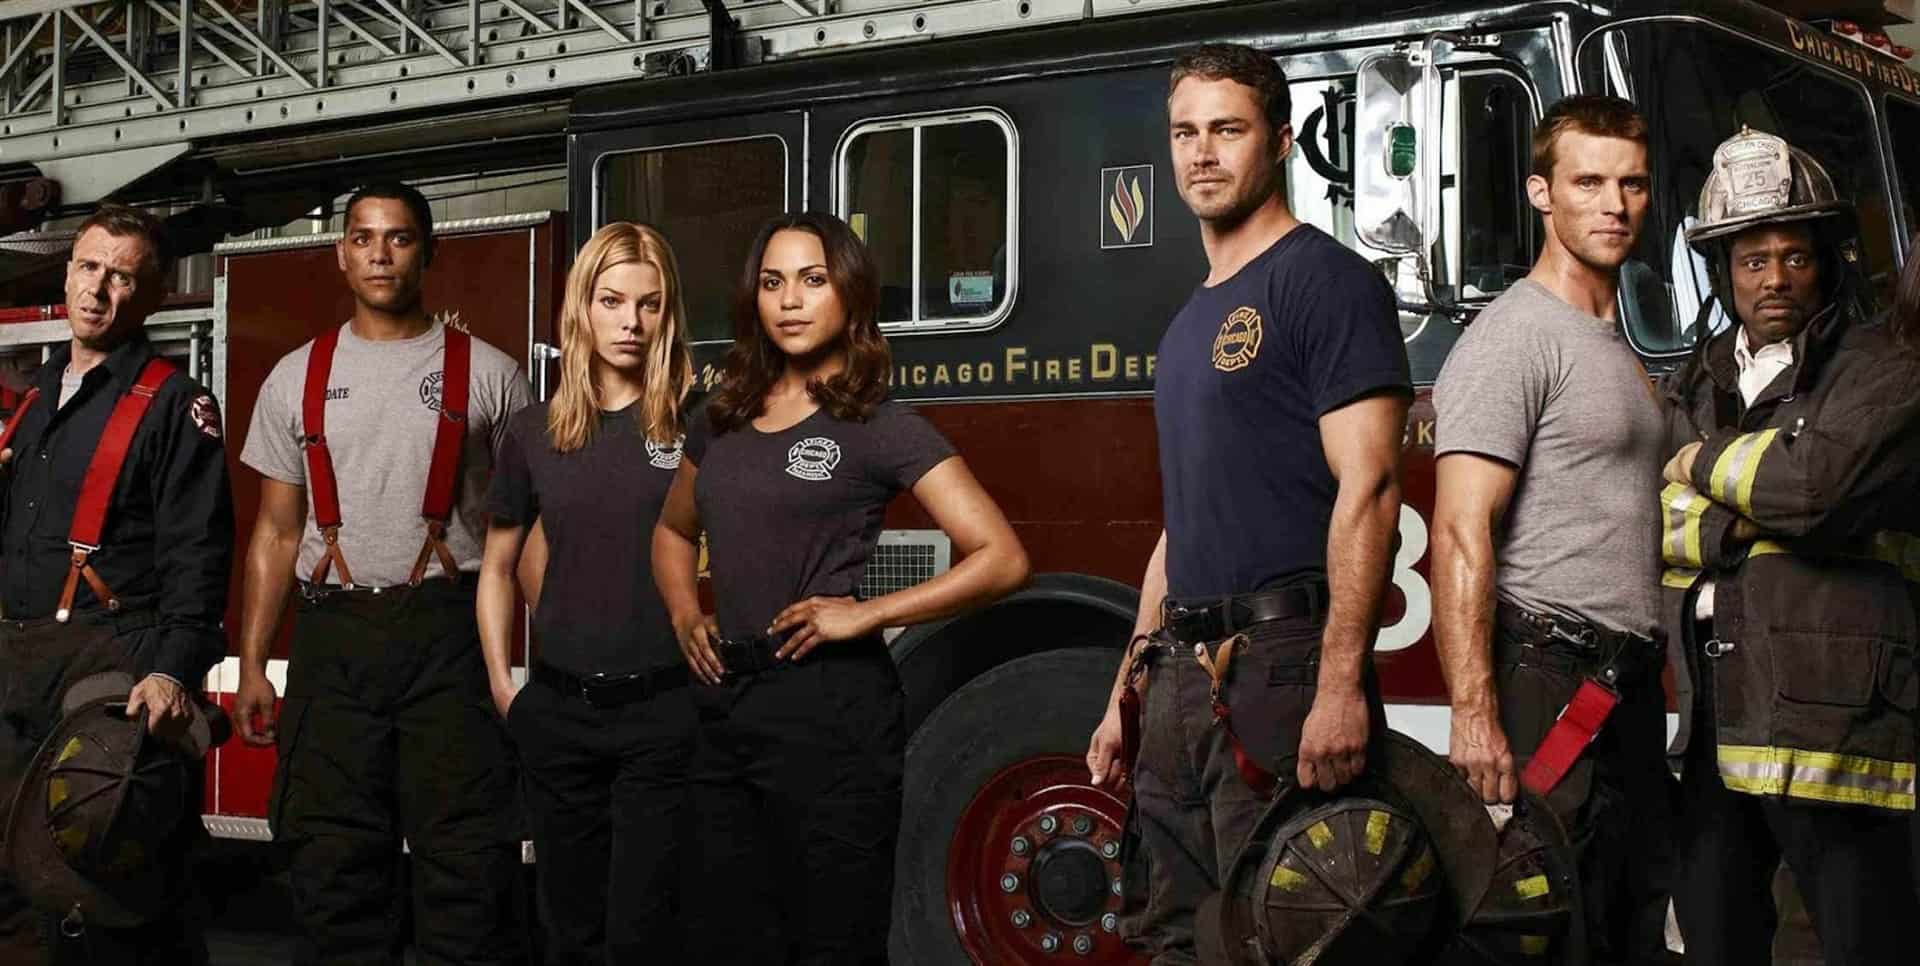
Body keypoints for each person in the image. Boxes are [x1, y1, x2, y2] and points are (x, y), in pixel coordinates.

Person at [1080, 43, 1412, 965]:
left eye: (1227, 129)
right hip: (1180, 677)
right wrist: (1126, 693)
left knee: (1287, 933)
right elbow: (1180, 526)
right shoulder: (1188, 323)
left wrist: (1339, 687)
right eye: (1185, 132)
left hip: (1282, 665)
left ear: (1282, 140)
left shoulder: (1328, 283)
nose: (1202, 153)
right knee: (1171, 935)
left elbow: (1372, 488)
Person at [652, 211, 1028, 965]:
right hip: (725, 706)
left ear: (848, 293)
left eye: (812, 280)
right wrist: (686, 614)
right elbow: (670, 531)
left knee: (833, 941)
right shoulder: (718, 419)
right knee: (723, 938)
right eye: (773, 283)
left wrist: (867, 614)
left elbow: (1003, 557)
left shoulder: (878, 424)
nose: (790, 300)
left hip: (833, 711)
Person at [231, 183, 530, 965]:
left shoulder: (493, 375)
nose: (380, 254)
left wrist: (549, 665)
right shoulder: (294, 377)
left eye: (398, 238)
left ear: (428, 251)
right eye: (363, 238)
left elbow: (523, 536)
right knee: (331, 864)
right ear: (341, 254)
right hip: (333, 642)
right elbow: (275, 532)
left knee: (468, 863)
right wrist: (255, 663)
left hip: (450, 638)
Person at [1658, 127, 1920, 965]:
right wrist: (1743, 510)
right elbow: (1652, 518)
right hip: (1714, 712)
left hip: (1837, 719)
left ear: (1826, 263)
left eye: (1795, 257)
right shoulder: (1696, 377)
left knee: (1864, 943)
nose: (1775, 278)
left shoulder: (1881, 366)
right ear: (1723, 271)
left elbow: (1814, 493)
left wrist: (1698, 468)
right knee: (1714, 937)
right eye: (1753, 260)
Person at [1429, 95, 1675, 964]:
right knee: (1546, 933)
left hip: (1625, 685)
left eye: (1632, 184)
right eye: (1588, 183)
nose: (1614, 204)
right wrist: (1474, 717)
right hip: (1548, 680)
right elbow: (1459, 531)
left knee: (1630, 925)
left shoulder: (1613, 341)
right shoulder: (1515, 337)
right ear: (1542, 193)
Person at [0, 204, 233, 963]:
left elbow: (200, 553)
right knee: (13, 891)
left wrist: (172, 670)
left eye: (122, 277)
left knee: (118, 907)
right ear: (68, 273)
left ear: (153, 295)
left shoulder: (175, 403)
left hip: (111, 667)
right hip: (17, 666)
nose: (98, 290)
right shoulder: (36, 399)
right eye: (89, 267)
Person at [477, 221, 695, 964]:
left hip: (665, 713)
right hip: (559, 713)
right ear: (583, 309)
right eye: (612, 301)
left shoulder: (698, 425)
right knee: (569, 933)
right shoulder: (532, 432)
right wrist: (504, 687)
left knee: (645, 933)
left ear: (668, 313)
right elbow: (498, 567)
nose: (631, 322)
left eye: (649, 304)